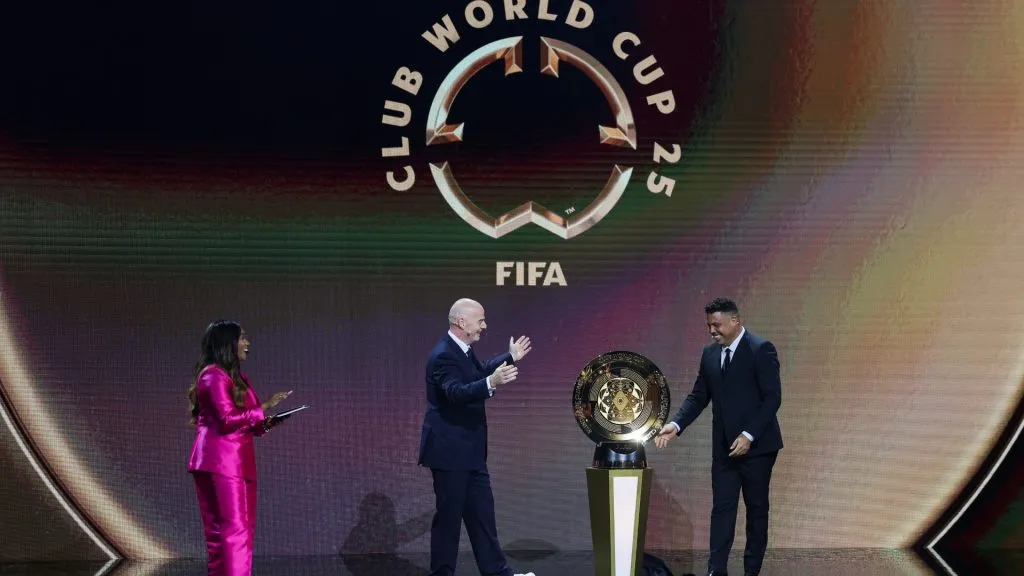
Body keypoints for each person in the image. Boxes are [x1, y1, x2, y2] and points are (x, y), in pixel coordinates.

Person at [654, 298, 783, 576]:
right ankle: (716, 571)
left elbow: (772, 399)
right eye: (709, 325)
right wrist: (676, 425)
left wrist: (748, 435)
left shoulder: (761, 349)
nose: (712, 330)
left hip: (758, 449)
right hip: (724, 449)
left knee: (756, 512)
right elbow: (699, 395)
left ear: (735, 321)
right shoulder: (710, 354)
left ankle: (751, 572)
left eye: (717, 324)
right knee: (722, 509)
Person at [418, 298, 536, 576]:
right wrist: (491, 383)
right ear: (462, 322)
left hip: (470, 453)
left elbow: (479, 371)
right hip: (450, 454)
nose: (485, 325)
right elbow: (455, 392)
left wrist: (509, 357)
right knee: (449, 522)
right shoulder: (443, 355)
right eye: (480, 320)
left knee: (482, 518)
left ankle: (497, 573)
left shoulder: (462, 351)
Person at [186, 320, 292, 576]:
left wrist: (267, 422)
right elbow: (227, 419)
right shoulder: (212, 375)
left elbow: (247, 422)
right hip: (221, 462)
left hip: (236, 461)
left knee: (232, 533)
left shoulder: (238, 378)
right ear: (227, 343)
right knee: (234, 533)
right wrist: (264, 407)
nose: (247, 343)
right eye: (242, 338)